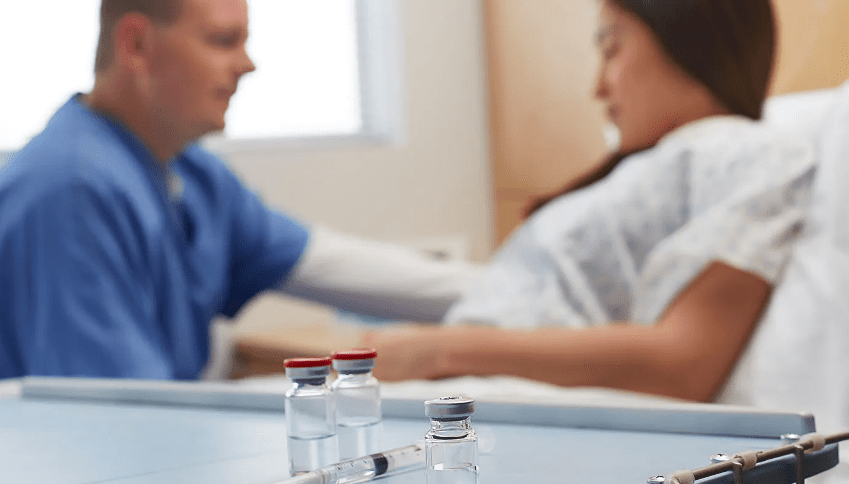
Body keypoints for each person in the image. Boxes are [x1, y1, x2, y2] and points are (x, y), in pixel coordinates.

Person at [362, 0, 817, 402]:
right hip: (455, 396)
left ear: (689, 36)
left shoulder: (750, 154)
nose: (598, 87)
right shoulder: (654, 167)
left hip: (492, 400)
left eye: (611, 48)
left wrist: (439, 350)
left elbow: (682, 363)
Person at [0, 0, 478, 379]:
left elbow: (333, 265)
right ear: (137, 44)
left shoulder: (191, 172)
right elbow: (115, 420)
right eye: (223, 41)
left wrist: (509, 297)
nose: (247, 64)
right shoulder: (69, 193)